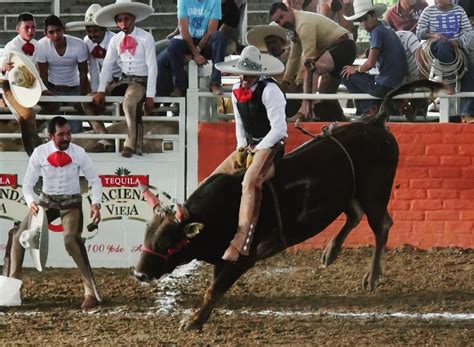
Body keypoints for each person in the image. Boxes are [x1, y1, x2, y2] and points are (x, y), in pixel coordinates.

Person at [9, 116, 103, 312]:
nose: (67, 137)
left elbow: (95, 180)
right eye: (61, 134)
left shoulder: (79, 153)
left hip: (71, 204)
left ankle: (91, 292)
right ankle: (12, 289)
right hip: (45, 202)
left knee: (71, 240)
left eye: (69, 133)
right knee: (18, 238)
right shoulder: (39, 153)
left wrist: (96, 204)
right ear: (51, 135)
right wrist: (31, 202)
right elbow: (27, 185)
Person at [212, 46, 287, 262]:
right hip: (251, 145)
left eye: (248, 73)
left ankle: (242, 240)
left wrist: (258, 149)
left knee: (250, 181)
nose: (244, 77)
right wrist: (242, 147)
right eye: (242, 72)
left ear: (258, 73)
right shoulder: (237, 89)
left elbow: (279, 130)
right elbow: (240, 124)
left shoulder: (270, 91)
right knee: (216, 177)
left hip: (271, 145)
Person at [270, 2, 356, 121]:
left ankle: (304, 113)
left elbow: (308, 57)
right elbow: (294, 56)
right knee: (326, 94)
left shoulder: (303, 25)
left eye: (282, 17)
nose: (282, 22)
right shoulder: (295, 27)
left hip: (343, 47)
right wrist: (286, 80)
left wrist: (298, 82)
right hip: (339, 49)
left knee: (310, 69)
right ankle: (342, 123)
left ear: (289, 10)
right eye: (278, 22)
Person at [92, 0, 157, 158]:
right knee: (87, 101)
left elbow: (152, 67)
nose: (123, 23)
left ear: (133, 19)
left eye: (126, 19)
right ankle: (104, 138)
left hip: (140, 80)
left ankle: (131, 140)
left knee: (128, 102)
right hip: (123, 80)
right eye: (119, 20)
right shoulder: (115, 40)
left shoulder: (145, 38)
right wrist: (100, 91)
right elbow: (107, 65)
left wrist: (150, 94)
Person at [67, 3, 121, 153]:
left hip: (121, 79)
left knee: (122, 108)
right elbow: (93, 68)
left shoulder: (115, 40)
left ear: (104, 28)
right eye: (89, 30)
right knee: (87, 101)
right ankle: (103, 139)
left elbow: (114, 66)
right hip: (104, 83)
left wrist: (103, 89)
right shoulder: (87, 41)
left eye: (95, 30)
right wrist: (97, 90)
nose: (92, 34)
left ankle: (123, 140)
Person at [341, 0, 408, 117]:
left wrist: (355, 69)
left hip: (385, 85)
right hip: (398, 83)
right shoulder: (386, 27)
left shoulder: (376, 32)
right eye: (360, 21)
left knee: (345, 74)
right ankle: (374, 106)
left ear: (373, 15)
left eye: (365, 19)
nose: (363, 24)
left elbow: (369, 64)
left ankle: (369, 108)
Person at [416, 0, 474, 122]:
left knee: (470, 69)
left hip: (456, 48)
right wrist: (434, 36)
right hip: (435, 46)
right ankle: (449, 83)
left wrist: (457, 42)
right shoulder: (428, 11)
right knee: (443, 45)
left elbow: (469, 33)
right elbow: (420, 32)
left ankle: (467, 112)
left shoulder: (459, 10)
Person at [157, 0, 228, 97]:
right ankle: (180, 86)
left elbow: (211, 31)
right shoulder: (183, 1)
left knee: (220, 36)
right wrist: (195, 54)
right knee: (173, 45)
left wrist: (197, 51)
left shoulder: (215, 1)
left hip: (205, 42)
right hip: (188, 40)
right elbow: (183, 30)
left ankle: (215, 82)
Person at [36, 15, 90, 133]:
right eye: (51, 32)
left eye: (58, 30)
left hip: (74, 88)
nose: (56, 35)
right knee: (54, 125)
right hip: (52, 88)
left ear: (63, 30)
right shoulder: (41, 46)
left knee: (75, 126)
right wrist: (46, 95)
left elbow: (83, 73)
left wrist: (82, 97)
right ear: (46, 34)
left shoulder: (78, 44)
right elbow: (43, 74)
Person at [0, 13, 45, 155]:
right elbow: (2, 66)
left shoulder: (36, 45)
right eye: (27, 27)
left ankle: (24, 139)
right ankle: (33, 148)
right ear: (17, 29)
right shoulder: (10, 47)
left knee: (53, 105)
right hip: (9, 86)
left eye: (33, 27)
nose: (31, 31)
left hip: (27, 86)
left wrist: (43, 88)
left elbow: (35, 70)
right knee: (27, 115)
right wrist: (2, 68)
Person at [246, 23, 303, 117]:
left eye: (274, 42)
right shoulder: (263, 61)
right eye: (268, 43)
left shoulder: (294, 59)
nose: (271, 46)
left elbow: (295, 84)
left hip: (291, 100)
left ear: (282, 42)